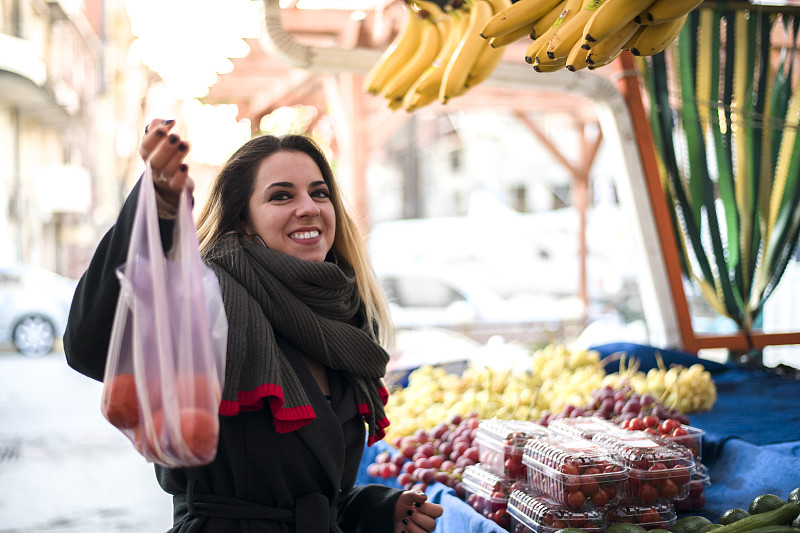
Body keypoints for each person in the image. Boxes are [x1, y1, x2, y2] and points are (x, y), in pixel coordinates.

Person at [64, 118, 444, 533]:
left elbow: (320, 495)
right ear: (243, 220)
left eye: (320, 193)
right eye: (281, 196)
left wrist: (375, 511)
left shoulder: (346, 318)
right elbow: (90, 347)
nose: (308, 207)